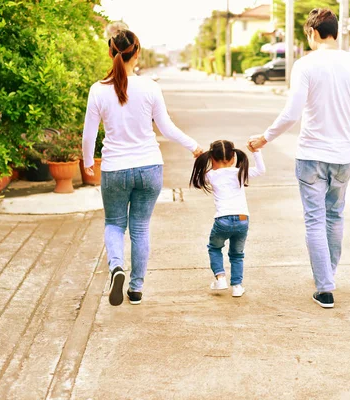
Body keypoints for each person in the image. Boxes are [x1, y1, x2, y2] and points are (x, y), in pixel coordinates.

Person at [248, 8, 350, 309]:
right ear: (334, 31)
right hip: (343, 158)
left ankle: (325, 286)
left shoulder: (305, 65)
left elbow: (292, 114)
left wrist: (264, 139)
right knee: (335, 217)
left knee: (315, 220)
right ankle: (327, 277)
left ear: (313, 33)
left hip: (310, 157)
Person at [82, 30, 202, 306]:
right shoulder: (150, 87)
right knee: (140, 228)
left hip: (115, 169)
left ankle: (116, 268)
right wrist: (193, 145)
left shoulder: (98, 90)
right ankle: (136, 289)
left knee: (114, 223)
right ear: (137, 53)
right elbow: (167, 128)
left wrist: (88, 161)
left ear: (110, 53)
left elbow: (89, 134)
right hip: (149, 167)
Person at [190, 140, 266, 297]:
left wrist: (198, 158)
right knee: (237, 254)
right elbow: (260, 170)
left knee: (215, 248)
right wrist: (256, 151)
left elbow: (199, 176)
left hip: (222, 220)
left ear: (211, 158)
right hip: (243, 219)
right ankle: (237, 287)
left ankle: (221, 278)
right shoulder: (239, 172)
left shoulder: (210, 175)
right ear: (233, 157)